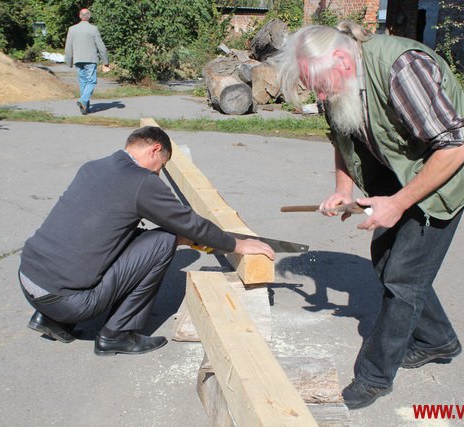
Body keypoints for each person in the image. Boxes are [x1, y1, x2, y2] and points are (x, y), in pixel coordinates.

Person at [271, 21, 464, 409]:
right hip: (402, 167)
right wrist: (343, 191)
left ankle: (375, 376)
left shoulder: (402, 68)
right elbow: (342, 135)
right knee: (385, 260)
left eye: (320, 85)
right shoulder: (336, 78)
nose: (319, 95)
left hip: (448, 170)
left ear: (341, 58)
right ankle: (437, 339)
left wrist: (398, 202)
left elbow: (455, 148)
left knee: (404, 276)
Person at [18, 126, 274, 356]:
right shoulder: (141, 180)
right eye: (162, 166)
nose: (159, 173)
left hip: (30, 281)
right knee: (163, 240)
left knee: (136, 238)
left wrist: (184, 240)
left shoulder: (94, 167)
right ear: (155, 149)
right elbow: (189, 223)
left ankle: (50, 320)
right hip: (69, 302)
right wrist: (237, 244)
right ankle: (116, 335)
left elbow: (105, 232)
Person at [64, 8, 109, 115]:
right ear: (89, 17)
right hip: (91, 60)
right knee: (91, 82)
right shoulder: (93, 29)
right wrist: (105, 61)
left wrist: (69, 61)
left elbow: (68, 47)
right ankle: (83, 100)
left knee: (83, 83)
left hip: (78, 60)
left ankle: (85, 109)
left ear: (80, 16)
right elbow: (101, 46)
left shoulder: (72, 29)